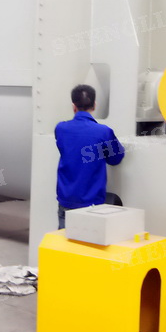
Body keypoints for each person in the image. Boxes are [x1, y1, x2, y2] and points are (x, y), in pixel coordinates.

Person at [55, 84, 125, 229]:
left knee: (64, 241)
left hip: (66, 200)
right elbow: (116, 159)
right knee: (89, 242)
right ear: (95, 105)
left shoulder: (61, 129)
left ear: (73, 106)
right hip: (92, 205)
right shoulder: (104, 132)